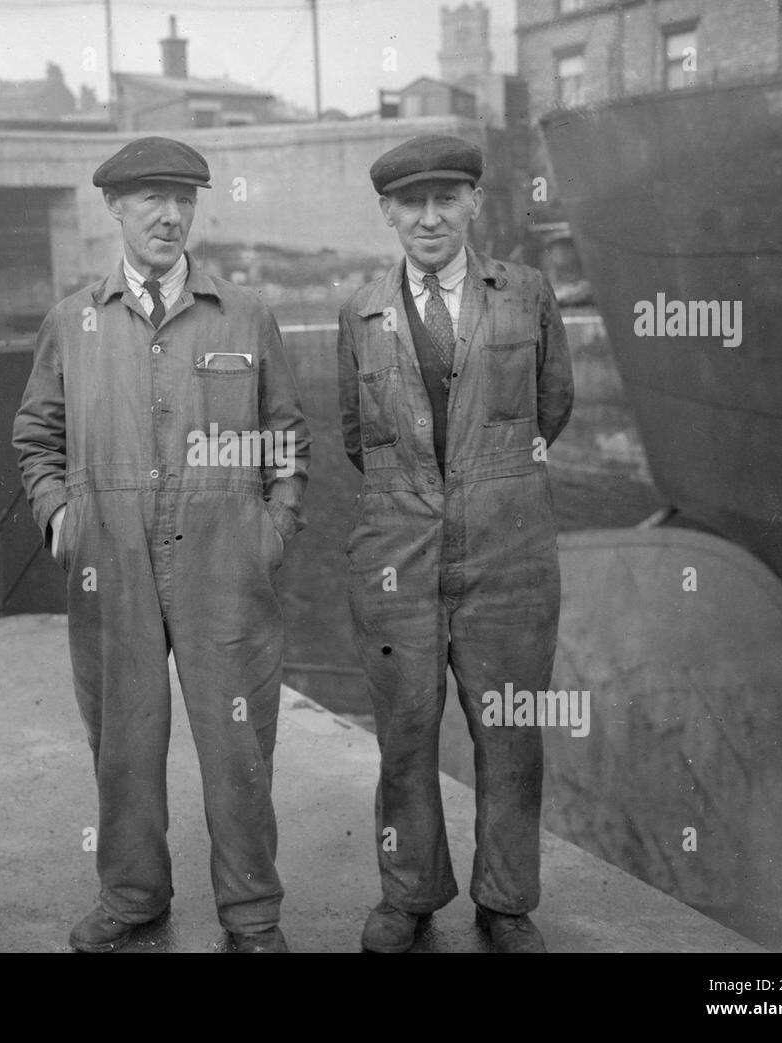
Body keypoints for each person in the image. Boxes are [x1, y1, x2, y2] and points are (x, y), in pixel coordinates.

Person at [12, 136, 310, 953]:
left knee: (239, 739)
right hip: (109, 556)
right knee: (124, 737)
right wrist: (60, 519)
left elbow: (287, 436)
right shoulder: (72, 321)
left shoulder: (244, 314)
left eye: (185, 199)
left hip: (225, 558)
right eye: (151, 199)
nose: (171, 216)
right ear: (114, 206)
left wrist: (271, 529)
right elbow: (37, 434)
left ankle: (253, 914)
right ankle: (134, 895)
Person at [337, 134, 574, 953]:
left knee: (509, 731)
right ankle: (409, 893)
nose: (430, 217)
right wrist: (417, 498)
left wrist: (488, 477)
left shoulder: (526, 293)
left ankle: (507, 900)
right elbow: (352, 433)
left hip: (509, 549)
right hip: (394, 552)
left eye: (447, 199)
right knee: (404, 732)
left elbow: (553, 406)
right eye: (412, 203)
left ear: (474, 203)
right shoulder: (361, 311)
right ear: (388, 213)